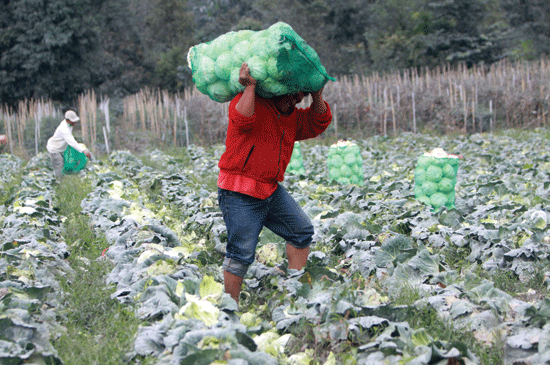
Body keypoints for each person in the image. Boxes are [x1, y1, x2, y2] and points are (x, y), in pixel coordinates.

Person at [217, 62, 333, 303]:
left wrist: (317, 95)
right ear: (275, 90)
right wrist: (250, 87)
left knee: (301, 231)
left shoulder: (291, 117)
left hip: (269, 188)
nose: (294, 102)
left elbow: (317, 122)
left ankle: (295, 291)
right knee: (241, 252)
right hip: (240, 189)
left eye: (299, 98)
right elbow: (241, 119)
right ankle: (230, 309)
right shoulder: (251, 103)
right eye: (291, 96)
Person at [46, 110, 92, 180]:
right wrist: (84, 150)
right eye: (72, 121)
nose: (74, 123)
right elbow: (71, 141)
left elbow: (71, 139)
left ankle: (65, 180)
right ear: (67, 120)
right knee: (59, 165)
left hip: (61, 148)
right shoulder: (64, 129)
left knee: (66, 163)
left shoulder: (69, 124)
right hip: (54, 149)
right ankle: (60, 183)